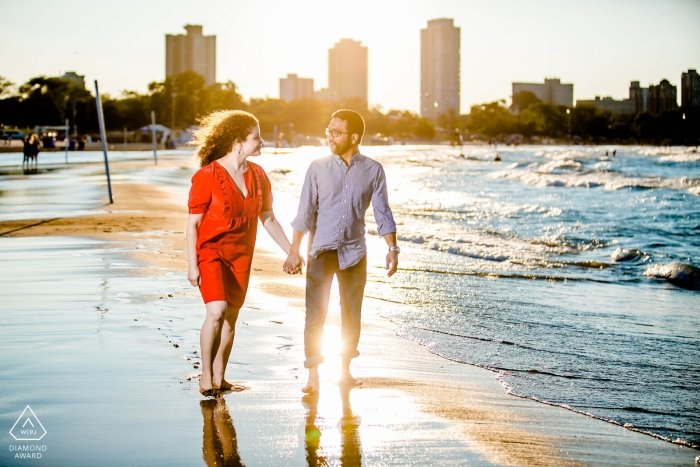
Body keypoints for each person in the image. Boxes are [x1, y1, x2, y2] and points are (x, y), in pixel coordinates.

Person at [284, 109, 399, 394]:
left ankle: (344, 371)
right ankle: (313, 378)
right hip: (320, 252)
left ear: (354, 137)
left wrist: (392, 248)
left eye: (336, 132)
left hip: (355, 254)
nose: (330, 136)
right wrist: (293, 251)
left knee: (352, 316)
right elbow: (304, 213)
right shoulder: (317, 167)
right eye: (329, 130)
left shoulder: (373, 170)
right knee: (315, 315)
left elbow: (383, 213)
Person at [186, 110, 296, 397]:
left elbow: (269, 219)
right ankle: (206, 374)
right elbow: (193, 225)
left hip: (241, 257)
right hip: (210, 253)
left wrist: (292, 252)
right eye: (256, 138)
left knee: (231, 318)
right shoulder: (207, 176)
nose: (262, 142)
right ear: (238, 141)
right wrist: (192, 265)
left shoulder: (259, 176)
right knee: (217, 311)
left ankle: (221, 377)